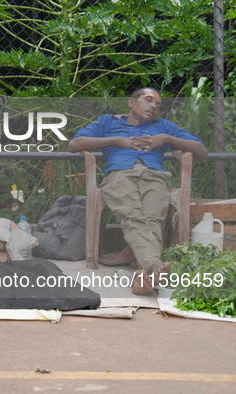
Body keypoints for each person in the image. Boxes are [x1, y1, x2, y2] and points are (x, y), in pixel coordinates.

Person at [67, 87, 208, 295]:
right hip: (119, 175)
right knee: (132, 215)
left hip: (155, 176)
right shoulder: (108, 122)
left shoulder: (163, 127)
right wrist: (116, 141)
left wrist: (167, 139)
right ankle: (153, 266)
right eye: (149, 100)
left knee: (152, 219)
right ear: (132, 102)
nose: (154, 107)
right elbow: (74, 144)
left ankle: (144, 275)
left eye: (158, 105)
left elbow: (202, 152)